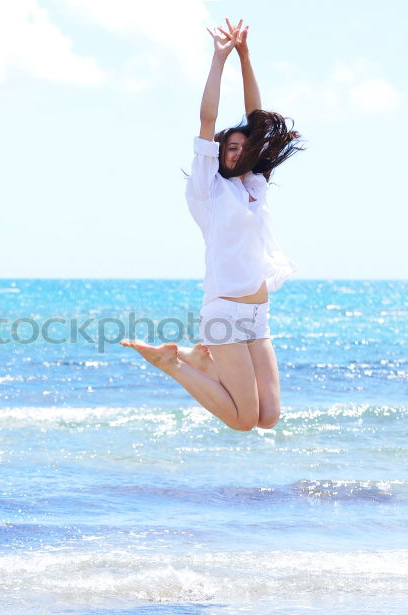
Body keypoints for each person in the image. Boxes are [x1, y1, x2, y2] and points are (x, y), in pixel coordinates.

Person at [120, 19, 304, 431]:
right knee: (242, 421)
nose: (237, 152)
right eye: (229, 147)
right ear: (220, 154)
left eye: (243, 147)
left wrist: (246, 55)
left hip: (259, 315)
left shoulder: (254, 184)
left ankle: (199, 358)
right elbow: (207, 119)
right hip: (225, 313)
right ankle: (174, 363)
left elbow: (258, 121)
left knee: (268, 418)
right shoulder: (209, 191)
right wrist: (219, 58)